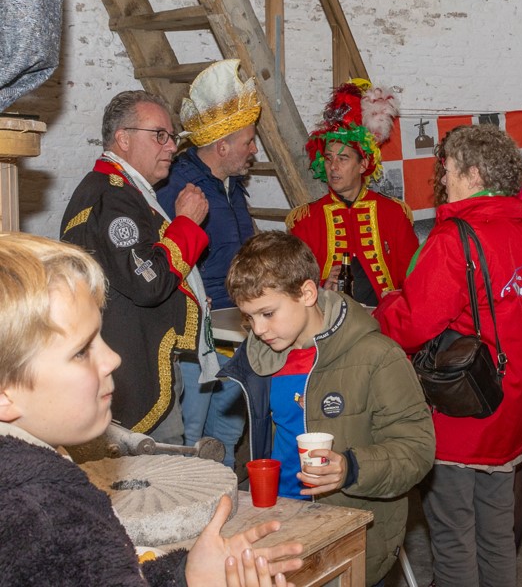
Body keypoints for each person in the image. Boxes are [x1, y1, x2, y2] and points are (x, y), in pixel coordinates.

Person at [0, 233, 303, 587]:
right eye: (81, 351)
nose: (113, 358)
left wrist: (186, 576)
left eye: (101, 337)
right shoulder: (45, 518)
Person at [375, 125, 522, 587]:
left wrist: (387, 302)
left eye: (446, 170)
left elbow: (410, 324)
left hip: (457, 415)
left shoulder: (453, 240)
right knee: (498, 535)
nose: (442, 181)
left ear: (472, 173)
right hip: (510, 413)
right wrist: (516, 362)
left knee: (451, 539)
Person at [221, 231, 435, 586]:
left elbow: (417, 449)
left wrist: (350, 467)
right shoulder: (260, 361)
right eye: (249, 318)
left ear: (306, 293)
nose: (258, 330)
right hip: (275, 531)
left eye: (268, 313)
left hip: (347, 536)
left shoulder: (377, 357)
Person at [61, 89, 216, 444]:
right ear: (123, 138)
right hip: (133, 368)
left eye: (172, 137)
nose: (171, 146)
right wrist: (187, 224)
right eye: (159, 135)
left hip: (133, 356)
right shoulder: (113, 196)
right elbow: (147, 281)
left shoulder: (122, 192)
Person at [157, 59, 259, 468]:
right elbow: (163, 257)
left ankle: (222, 507)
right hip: (193, 335)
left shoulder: (229, 185)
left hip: (235, 332)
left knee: (229, 432)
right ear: (222, 147)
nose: (254, 149)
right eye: (248, 141)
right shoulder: (177, 187)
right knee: (191, 436)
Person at [286, 79, 418, 307]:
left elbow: (414, 281)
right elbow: (292, 287)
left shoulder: (394, 214)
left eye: (343, 158)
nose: (333, 167)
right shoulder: (305, 220)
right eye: (328, 159)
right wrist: (320, 289)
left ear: (363, 163)